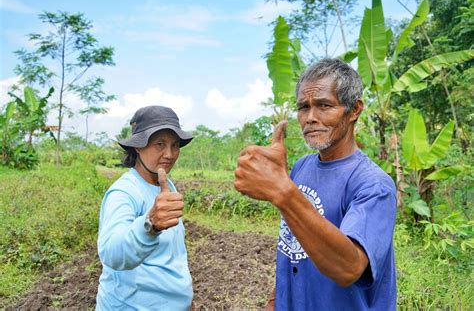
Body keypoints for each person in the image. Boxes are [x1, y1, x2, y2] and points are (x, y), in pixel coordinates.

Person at [234, 58, 397, 310]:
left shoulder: (373, 185)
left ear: (354, 110)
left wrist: (282, 193)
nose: (310, 118)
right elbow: (294, 247)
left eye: (324, 105)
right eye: (303, 107)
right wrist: (274, 300)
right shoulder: (302, 167)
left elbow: (349, 267)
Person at [96, 106, 194, 310]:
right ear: (138, 147)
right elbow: (112, 252)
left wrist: (186, 300)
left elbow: (173, 254)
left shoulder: (164, 184)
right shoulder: (124, 193)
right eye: (160, 144)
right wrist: (150, 224)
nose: (170, 154)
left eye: (175, 145)